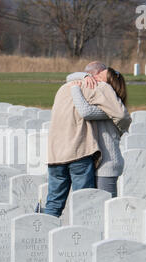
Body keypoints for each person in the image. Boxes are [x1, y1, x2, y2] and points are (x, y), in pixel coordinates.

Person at [44, 62, 131, 218]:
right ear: (94, 75)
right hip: (79, 152)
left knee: (53, 204)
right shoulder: (99, 88)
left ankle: (43, 235)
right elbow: (121, 115)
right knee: (84, 206)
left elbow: (70, 79)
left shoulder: (64, 88)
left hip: (55, 154)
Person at [67, 66, 131, 198]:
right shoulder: (107, 107)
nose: (94, 76)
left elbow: (85, 111)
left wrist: (75, 89)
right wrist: (85, 76)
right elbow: (69, 77)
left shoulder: (109, 111)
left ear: (108, 86)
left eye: (100, 77)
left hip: (107, 165)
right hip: (96, 162)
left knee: (105, 208)